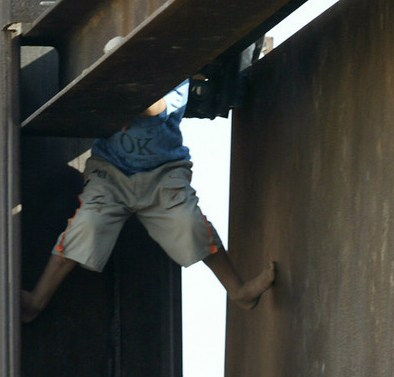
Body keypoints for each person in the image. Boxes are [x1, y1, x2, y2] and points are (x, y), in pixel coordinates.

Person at [21, 80, 275, 321]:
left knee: (189, 224)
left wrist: (123, 105)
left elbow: (155, 108)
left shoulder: (175, 76)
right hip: (111, 172)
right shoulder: (109, 78)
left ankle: (239, 291)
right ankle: (36, 301)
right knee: (87, 225)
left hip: (162, 173)